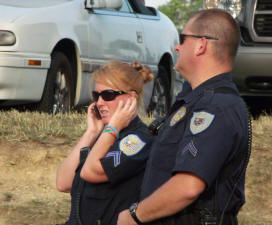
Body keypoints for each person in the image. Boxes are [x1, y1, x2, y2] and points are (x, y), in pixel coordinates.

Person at [117, 8, 250, 225]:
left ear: (201, 45)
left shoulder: (215, 106)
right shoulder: (195, 100)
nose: (177, 47)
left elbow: (188, 186)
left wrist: (135, 215)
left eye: (183, 39)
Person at [56, 61, 154, 225]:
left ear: (130, 98)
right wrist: (91, 133)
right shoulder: (104, 136)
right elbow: (63, 183)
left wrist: (113, 127)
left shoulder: (139, 140)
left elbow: (90, 172)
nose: (100, 102)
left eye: (108, 95)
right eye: (97, 96)